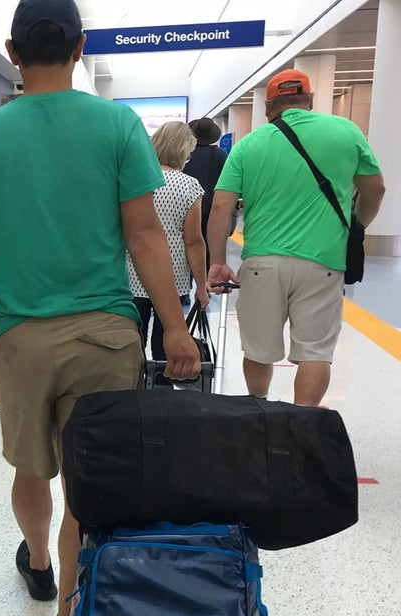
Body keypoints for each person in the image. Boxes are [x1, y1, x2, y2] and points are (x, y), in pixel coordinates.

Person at [0, 0, 200, 616]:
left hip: (20, 338)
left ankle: (39, 560)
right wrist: (173, 324)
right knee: (88, 478)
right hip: (107, 333)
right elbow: (143, 235)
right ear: (79, 48)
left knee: (29, 466)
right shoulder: (116, 124)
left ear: (13, 53)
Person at [206, 69, 386, 406]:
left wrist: (217, 262)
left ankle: (260, 411)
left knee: (259, 350)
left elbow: (220, 206)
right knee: (315, 351)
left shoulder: (249, 145)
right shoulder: (345, 131)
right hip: (324, 262)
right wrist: (357, 223)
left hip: (261, 262)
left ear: (268, 107)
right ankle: (302, 427)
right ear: (310, 101)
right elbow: (376, 187)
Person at [129, 122, 210, 360]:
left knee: (134, 339)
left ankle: (135, 387)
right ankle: (162, 388)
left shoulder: (135, 181)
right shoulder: (188, 185)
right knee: (167, 341)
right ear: (182, 150)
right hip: (172, 278)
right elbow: (193, 241)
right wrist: (201, 287)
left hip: (133, 273)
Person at [184, 116, 229, 271]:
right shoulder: (219, 154)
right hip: (209, 210)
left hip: (186, 209)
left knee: (186, 250)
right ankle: (205, 289)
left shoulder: (185, 153)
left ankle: (186, 287)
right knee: (208, 251)